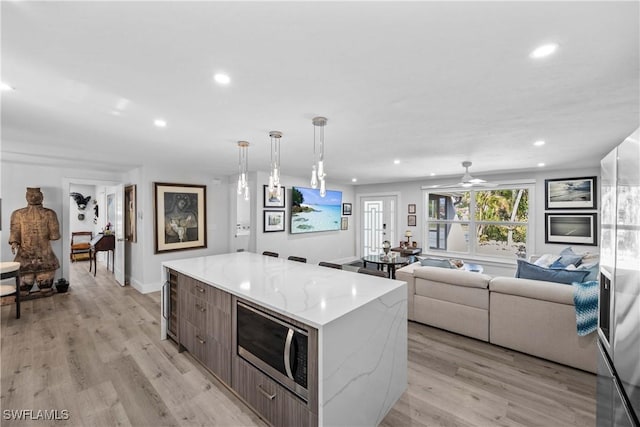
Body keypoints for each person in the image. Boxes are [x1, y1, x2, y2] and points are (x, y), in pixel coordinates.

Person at [9, 187, 61, 296]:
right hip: (24, 253)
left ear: (42, 196)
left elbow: (55, 235)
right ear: (26, 197)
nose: (33, 197)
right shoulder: (18, 214)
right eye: (30, 194)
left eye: (37, 194)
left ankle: (45, 288)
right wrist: (14, 241)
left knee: (45, 283)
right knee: (24, 284)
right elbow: (15, 229)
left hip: (45, 252)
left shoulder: (50, 213)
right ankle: (24, 290)